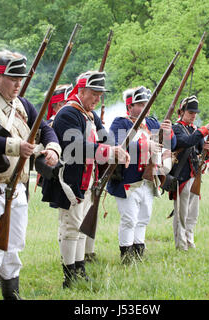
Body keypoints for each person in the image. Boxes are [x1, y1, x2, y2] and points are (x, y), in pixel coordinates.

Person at [0, 50, 61, 300]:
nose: (18, 83)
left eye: (20, 78)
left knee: (13, 248)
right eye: (12, 77)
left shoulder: (23, 105)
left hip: (17, 188)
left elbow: (45, 128)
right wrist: (14, 145)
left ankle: (11, 295)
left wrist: (52, 148)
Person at [42, 70, 130, 288]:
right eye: (93, 94)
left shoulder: (89, 114)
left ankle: (79, 267)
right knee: (71, 226)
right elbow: (77, 148)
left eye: (100, 95)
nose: (97, 99)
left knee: (82, 225)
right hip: (69, 180)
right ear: (81, 91)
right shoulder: (68, 114)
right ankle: (69, 275)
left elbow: (105, 138)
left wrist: (116, 148)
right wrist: (111, 152)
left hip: (88, 179)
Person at [107, 86, 175, 263]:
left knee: (144, 217)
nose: (146, 107)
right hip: (127, 180)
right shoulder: (120, 123)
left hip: (148, 178)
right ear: (130, 107)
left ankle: (139, 250)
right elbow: (116, 145)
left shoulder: (151, 123)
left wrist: (168, 132)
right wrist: (145, 147)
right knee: (129, 219)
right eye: (141, 104)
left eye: (147, 103)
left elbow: (170, 143)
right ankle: (126, 255)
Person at [168, 96, 209, 251]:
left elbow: (201, 153)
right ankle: (181, 245)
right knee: (181, 214)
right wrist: (205, 130)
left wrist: (208, 150)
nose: (193, 115)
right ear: (181, 112)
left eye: (195, 112)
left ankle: (189, 240)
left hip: (195, 176)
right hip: (181, 176)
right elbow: (187, 142)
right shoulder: (175, 128)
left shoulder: (195, 130)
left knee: (192, 214)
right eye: (190, 112)